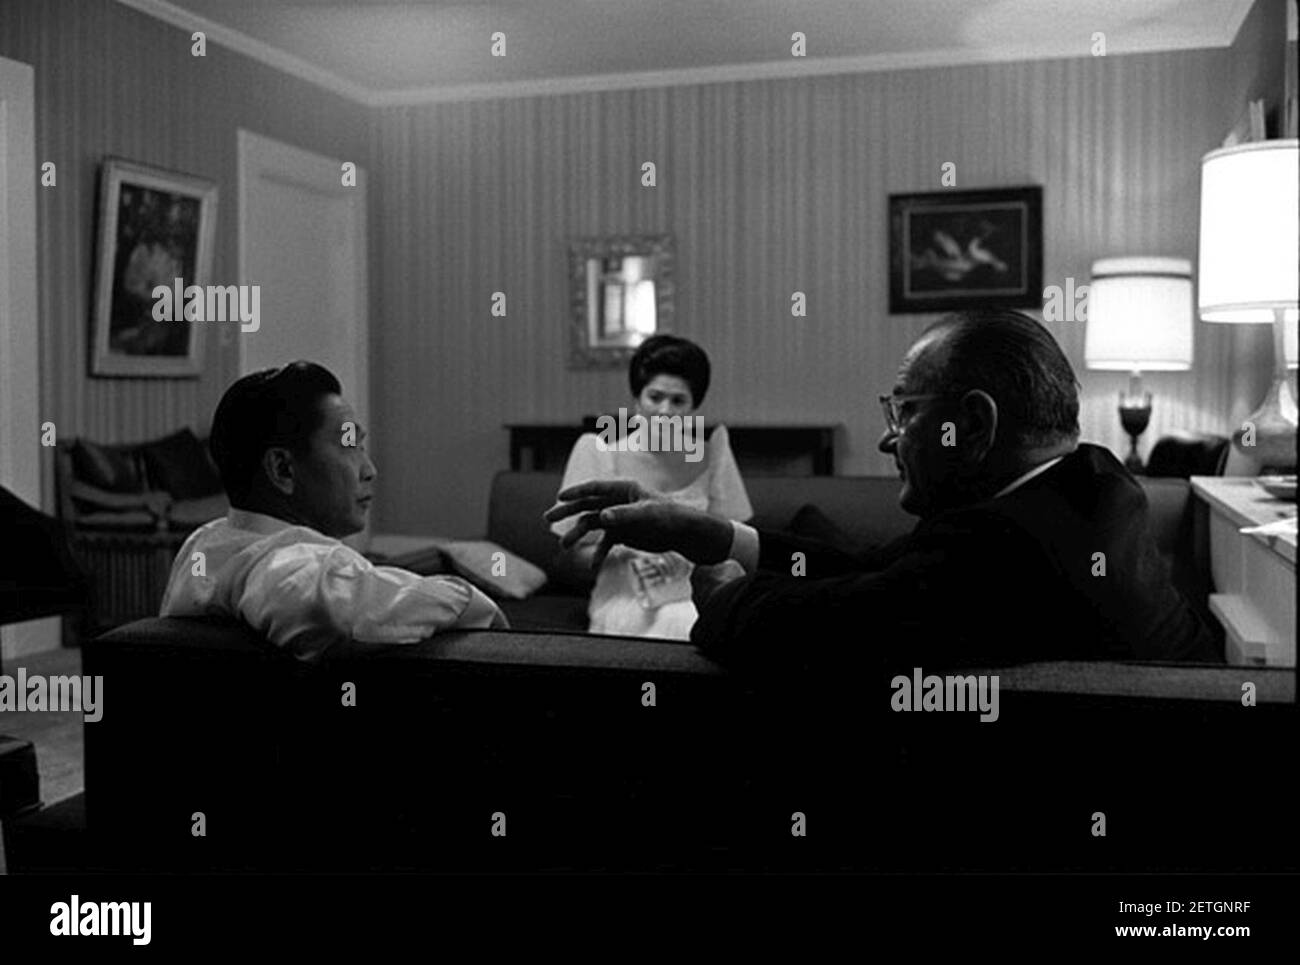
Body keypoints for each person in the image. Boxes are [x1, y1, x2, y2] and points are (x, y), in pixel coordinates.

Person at [546, 310, 1221, 670]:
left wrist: (723, 590)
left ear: (975, 424)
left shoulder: (1004, 550)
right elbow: (886, 571)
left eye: (904, 412)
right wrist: (714, 534)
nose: (887, 439)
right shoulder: (1092, 480)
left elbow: (808, 623)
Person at [160, 361, 505, 660]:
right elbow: (322, 606)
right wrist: (469, 600)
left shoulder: (202, 545)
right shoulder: (293, 568)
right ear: (282, 469)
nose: (369, 469)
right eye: (349, 446)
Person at [550, 335, 752, 639]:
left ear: (694, 407)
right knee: (682, 626)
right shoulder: (600, 453)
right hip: (625, 597)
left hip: (694, 594)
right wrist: (628, 544)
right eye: (655, 397)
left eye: (678, 401)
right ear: (637, 399)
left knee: (704, 621)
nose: (664, 411)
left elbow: (738, 547)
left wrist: (693, 548)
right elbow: (566, 559)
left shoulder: (713, 456)